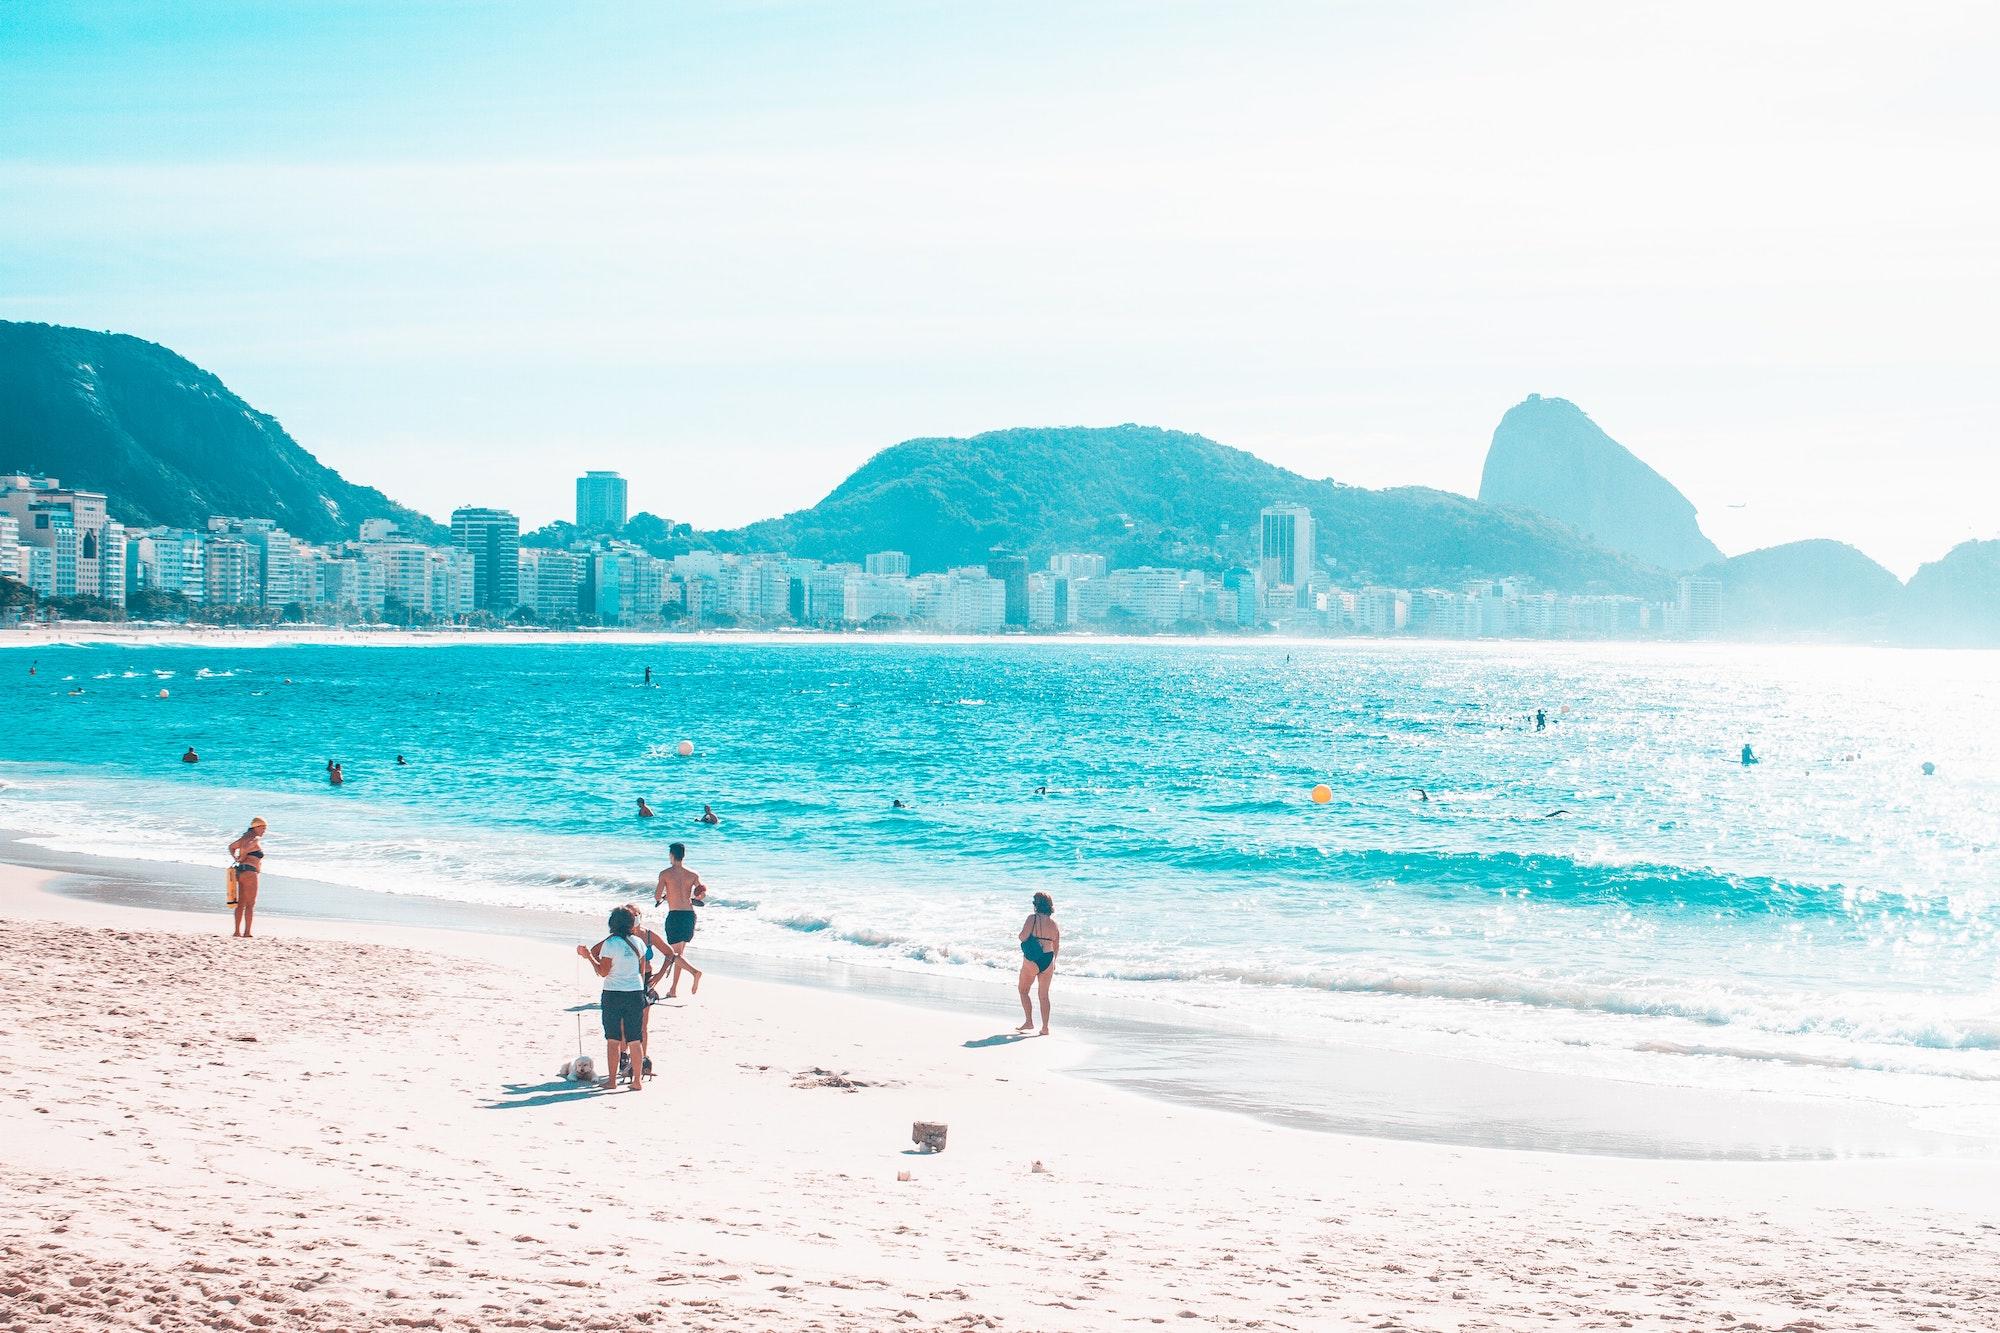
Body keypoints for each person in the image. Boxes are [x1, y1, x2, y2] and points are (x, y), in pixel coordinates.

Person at [576, 906, 650, 1092]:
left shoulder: (611, 944)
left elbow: (603, 972)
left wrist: (589, 957)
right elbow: (641, 972)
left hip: (614, 993)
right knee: (635, 1039)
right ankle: (637, 1082)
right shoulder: (638, 943)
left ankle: (611, 1081)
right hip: (635, 992)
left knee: (613, 1039)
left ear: (612, 924)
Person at [654, 842, 707, 998]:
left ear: (671, 855)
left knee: (674, 955)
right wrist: (694, 895)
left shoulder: (665, 874)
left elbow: (657, 896)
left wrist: (664, 896)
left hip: (675, 915)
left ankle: (694, 972)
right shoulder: (693, 874)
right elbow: (701, 894)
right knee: (679, 954)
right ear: (683, 855)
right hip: (689, 915)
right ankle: (673, 990)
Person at [1016, 892, 1060, 1035]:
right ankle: (1045, 1028)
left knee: (1023, 991)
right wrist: (1053, 963)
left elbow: (1023, 937)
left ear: (1036, 905)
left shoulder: (1032, 919)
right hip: (1048, 959)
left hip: (1032, 959)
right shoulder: (1054, 924)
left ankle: (1029, 1022)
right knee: (1044, 995)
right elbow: (1056, 946)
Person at [227, 818, 268, 938]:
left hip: (241, 871)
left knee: (241, 903)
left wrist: (236, 858)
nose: (264, 831)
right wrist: (242, 855)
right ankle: (247, 932)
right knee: (250, 904)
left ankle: (236, 931)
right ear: (256, 827)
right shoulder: (255, 838)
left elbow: (231, 847)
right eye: (263, 828)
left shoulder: (244, 837)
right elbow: (246, 848)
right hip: (250, 873)